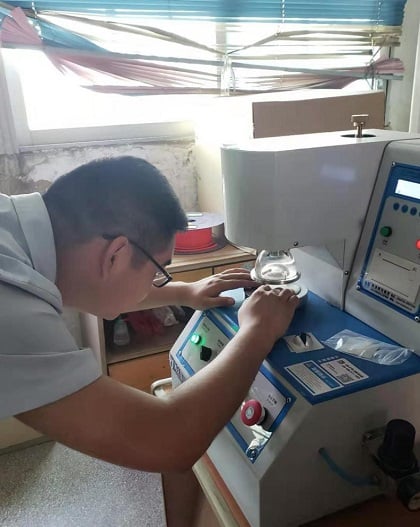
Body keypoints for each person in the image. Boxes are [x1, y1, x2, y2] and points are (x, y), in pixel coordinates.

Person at [0, 156, 298, 473]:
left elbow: (102, 285)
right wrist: (257, 332)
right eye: (158, 271)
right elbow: (167, 440)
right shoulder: (12, 305)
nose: (154, 283)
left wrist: (183, 292)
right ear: (116, 255)